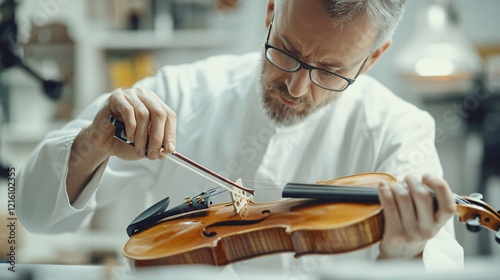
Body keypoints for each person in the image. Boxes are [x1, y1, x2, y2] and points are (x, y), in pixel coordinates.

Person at [17, 0, 463, 272]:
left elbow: (442, 265)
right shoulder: (182, 92)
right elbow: (35, 212)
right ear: (271, 11)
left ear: (371, 59)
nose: (297, 88)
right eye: (287, 52)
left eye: (330, 71)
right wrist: (92, 142)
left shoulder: (401, 132)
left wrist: (405, 253)